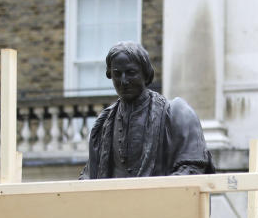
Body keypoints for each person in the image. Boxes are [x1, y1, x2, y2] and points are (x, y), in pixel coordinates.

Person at [80, 41, 215, 179]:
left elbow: (193, 169)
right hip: (115, 199)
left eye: (131, 73)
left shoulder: (177, 113)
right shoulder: (103, 123)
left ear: (145, 73)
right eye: (117, 74)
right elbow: (90, 176)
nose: (124, 81)